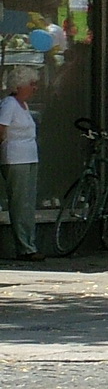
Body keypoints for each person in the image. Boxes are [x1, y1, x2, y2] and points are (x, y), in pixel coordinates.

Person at [0, 68, 41, 261]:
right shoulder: (9, 104)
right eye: (31, 84)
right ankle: (25, 247)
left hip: (29, 157)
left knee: (28, 203)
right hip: (16, 159)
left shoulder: (23, 105)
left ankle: (29, 243)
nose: (34, 88)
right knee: (20, 204)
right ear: (19, 86)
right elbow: (2, 129)